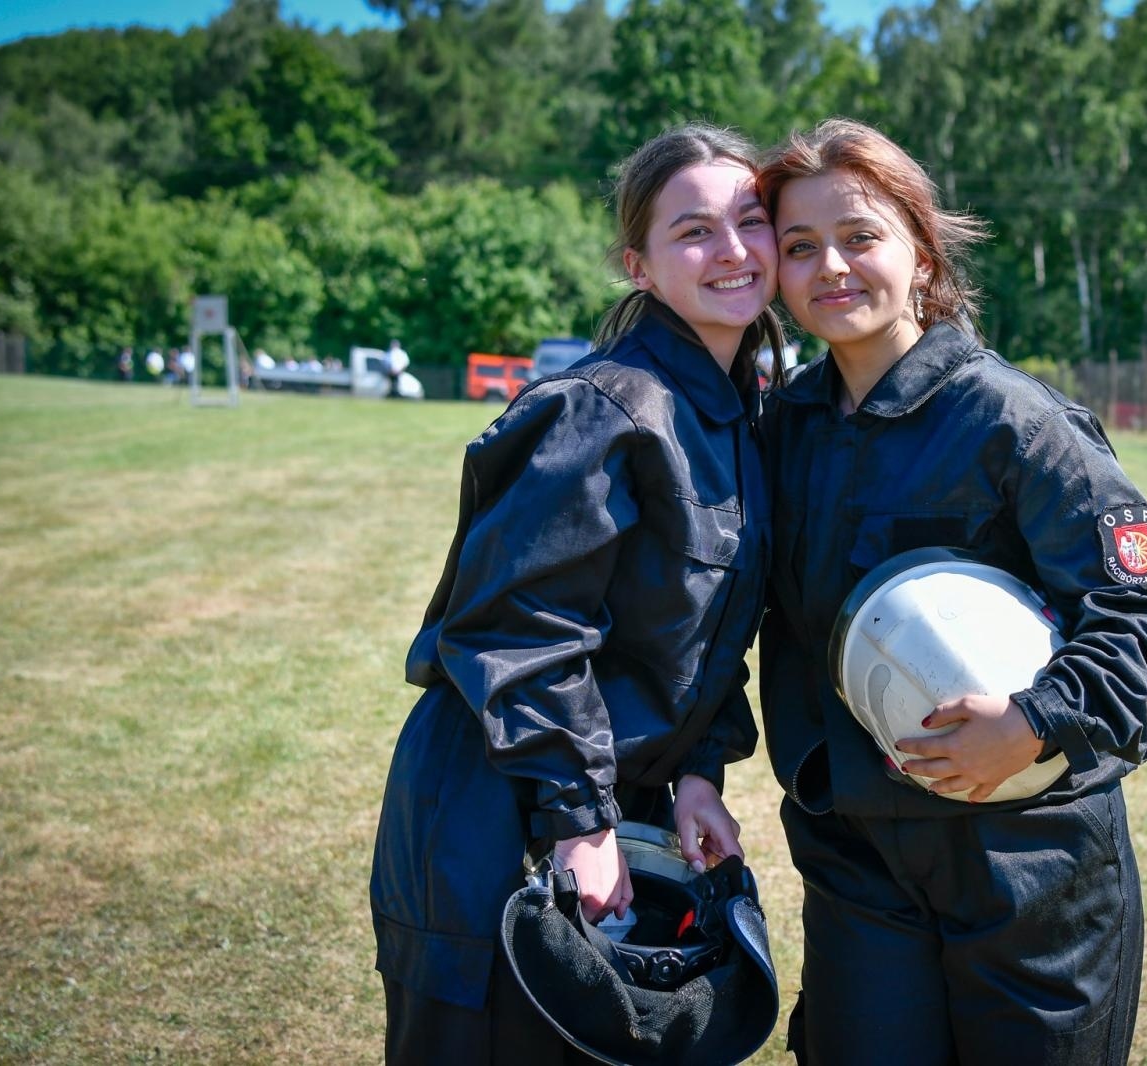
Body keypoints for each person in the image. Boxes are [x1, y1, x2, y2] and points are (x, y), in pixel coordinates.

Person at [756, 118, 1147, 1065]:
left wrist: (1036, 720)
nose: (831, 265)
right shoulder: (782, 426)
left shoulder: (1011, 420)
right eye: (800, 247)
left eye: (860, 236)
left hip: (1025, 864)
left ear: (920, 252)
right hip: (858, 862)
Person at [368, 122, 783, 1064]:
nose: (730, 250)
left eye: (749, 221)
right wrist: (580, 818)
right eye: (693, 232)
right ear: (639, 266)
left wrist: (697, 772)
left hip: (610, 805)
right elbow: (518, 628)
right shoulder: (598, 409)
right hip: (500, 804)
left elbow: (699, 636)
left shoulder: (744, 417)